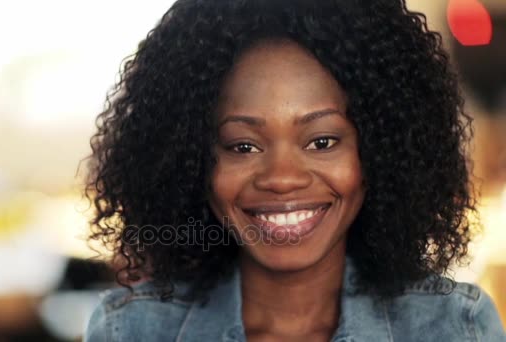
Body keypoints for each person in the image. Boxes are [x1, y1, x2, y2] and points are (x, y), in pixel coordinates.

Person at [84, 0, 506, 340]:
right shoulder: (131, 330)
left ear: (379, 153)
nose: (282, 177)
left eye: (322, 142)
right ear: (190, 161)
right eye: (242, 145)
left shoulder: (453, 327)